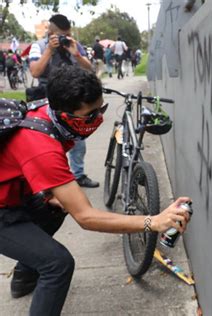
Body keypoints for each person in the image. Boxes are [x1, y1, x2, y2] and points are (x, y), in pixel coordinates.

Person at [0, 65, 191, 316]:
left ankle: (24, 276)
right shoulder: (41, 146)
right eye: (90, 116)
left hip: (13, 194)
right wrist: (153, 222)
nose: (98, 120)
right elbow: (87, 218)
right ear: (65, 113)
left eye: (101, 109)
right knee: (58, 264)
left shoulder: (50, 112)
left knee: (54, 208)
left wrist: (49, 194)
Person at [29, 13, 99, 188]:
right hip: (46, 101)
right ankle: (47, 182)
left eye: (67, 35)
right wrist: (49, 51)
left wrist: (76, 55)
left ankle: (78, 175)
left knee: (78, 141)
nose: (64, 39)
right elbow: (35, 72)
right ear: (51, 33)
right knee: (47, 143)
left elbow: (90, 70)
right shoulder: (38, 46)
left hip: (72, 102)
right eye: (61, 35)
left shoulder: (74, 46)